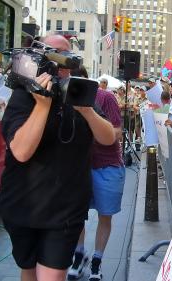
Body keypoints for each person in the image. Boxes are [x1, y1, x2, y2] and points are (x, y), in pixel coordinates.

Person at [0, 35, 115, 281]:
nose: (62, 62)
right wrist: (42, 105)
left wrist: (87, 110)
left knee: (52, 276)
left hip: (66, 209)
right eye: (54, 53)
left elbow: (108, 138)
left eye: (66, 55)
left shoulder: (79, 91)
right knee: (28, 270)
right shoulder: (23, 95)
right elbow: (21, 151)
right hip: (24, 205)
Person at [67, 66, 125, 281]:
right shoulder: (59, 97)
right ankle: (79, 255)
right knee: (76, 215)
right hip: (77, 166)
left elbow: (117, 131)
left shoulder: (105, 97)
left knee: (104, 214)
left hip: (106, 165)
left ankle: (97, 261)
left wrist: (94, 124)